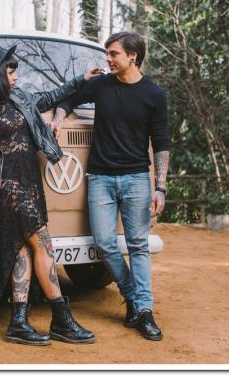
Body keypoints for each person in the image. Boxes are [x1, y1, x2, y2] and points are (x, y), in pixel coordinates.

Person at [0, 43, 98, 346]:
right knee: (44, 244)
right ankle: (61, 319)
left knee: (22, 249)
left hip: (31, 183)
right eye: (11, 72)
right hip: (8, 188)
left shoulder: (21, 98)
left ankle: (18, 323)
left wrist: (82, 79)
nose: (16, 76)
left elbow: (51, 96)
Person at [51, 31, 170, 341]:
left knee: (138, 245)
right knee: (104, 243)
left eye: (113, 54)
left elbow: (161, 143)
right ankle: (132, 295)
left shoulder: (154, 95)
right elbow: (69, 98)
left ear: (133, 56)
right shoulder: (102, 85)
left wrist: (160, 187)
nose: (108, 59)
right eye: (107, 53)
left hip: (136, 179)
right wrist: (60, 118)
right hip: (100, 178)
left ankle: (144, 311)